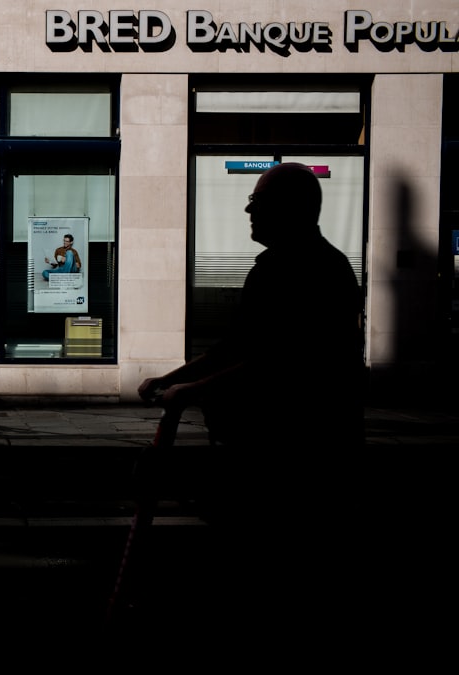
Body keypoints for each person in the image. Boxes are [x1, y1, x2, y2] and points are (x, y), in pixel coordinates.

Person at [135, 162, 366, 648]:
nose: (247, 210)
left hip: (298, 453)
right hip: (265, 446)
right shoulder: (277, 265)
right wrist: (172, 379)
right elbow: (235, 348)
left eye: (257, 202)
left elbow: (286, 361)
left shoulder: (314, 270)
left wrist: (191, 391)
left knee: (281, 562)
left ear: (290, 209)